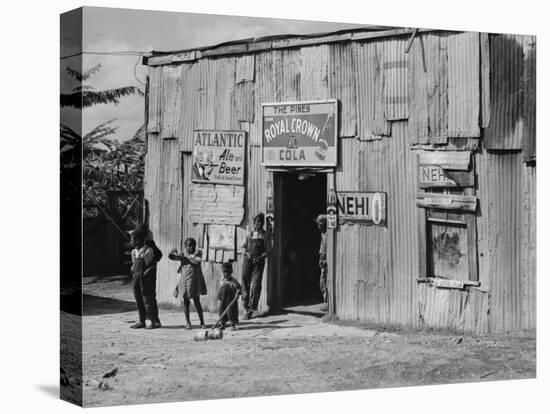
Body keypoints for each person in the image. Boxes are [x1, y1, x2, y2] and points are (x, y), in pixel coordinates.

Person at [168, 238, 207, 329]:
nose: (191, 247)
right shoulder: (183, 256)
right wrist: (172, 252)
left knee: (197, 301)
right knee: (186, 302)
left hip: (195, 282)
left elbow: (196, 263)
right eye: (189, 246)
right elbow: (172, 257)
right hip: (185, 282)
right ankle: (188, 322)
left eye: (193, 245)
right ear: (185, 247)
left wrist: (185, 258)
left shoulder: (198, 254)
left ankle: (202, 322)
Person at [130, 225, 161, 329]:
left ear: (139, 240)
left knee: (148, 299)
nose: (132, 242)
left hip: (146, 279)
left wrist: (146, 273)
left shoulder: (148, 250)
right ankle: (142, 321)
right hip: (136, 279)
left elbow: (152, 265)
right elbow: (134, 265)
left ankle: (153, 321)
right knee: (138, 299)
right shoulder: (134, 252)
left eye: (133, 240)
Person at [241, 212, 271, 320]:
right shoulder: (249, 234)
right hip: (248, 261)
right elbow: (243, 247)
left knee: (256, 285)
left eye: (261, 222)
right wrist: (248, 254)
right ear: (254, 222)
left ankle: (252, 309)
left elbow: (268, 250)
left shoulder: (265, 234)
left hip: (259, 262)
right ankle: (245, 307)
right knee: (245, 283)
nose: (259, 224)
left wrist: (262, 256)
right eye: (257, 221)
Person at [217, 262, 242, 331]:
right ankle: (222, 324)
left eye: (227, 272)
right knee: (222, 311)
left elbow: (238, 288)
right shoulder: (222, 279)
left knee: (231, 312)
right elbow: (220, 289)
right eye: (224, 272)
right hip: (223, 300)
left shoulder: (234, 281)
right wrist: (219, 298)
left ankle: (233, 325)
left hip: (230, 301)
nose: (226, 274)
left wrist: (237, 293)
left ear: (231, 271)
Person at [315, 214, 329, 312]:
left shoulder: (328, 235)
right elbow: (322, 249)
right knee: (322, 282)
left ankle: (327, 302)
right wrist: (321, 258)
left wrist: (326, 260)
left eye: (319, 224)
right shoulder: (323, 234)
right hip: (323, 260)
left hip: (327, 261)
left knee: (325, 282)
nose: (318, 226)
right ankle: (326, 301)